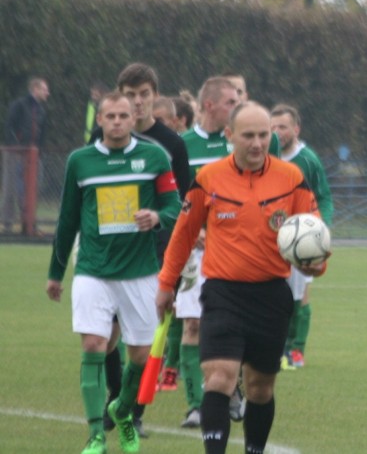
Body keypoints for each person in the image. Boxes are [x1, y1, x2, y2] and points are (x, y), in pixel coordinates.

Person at [157, 101, 326, 454]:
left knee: (261, 387)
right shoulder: (208, 178)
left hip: (271, 295)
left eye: (264, 135)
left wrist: (316, 264)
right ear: (230, 135)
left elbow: (314, 234)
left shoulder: (292, 178)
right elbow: (183, 235)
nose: (257, 143)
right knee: (219, 377)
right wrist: (165, 284)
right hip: (222, 294)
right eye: (248, 135)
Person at [46, 91, 181, 454]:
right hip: (93, 270)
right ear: (100, 121)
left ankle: (122, 410)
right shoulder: (80, 161)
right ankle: (94, 436)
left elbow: (174, 205)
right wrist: (56, 272)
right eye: (112, 116)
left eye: (125, 115)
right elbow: (67, 219)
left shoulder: (154, 157)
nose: (118, 121)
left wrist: (156, 217)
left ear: (133, 119)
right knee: (93, 344)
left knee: (138, 355)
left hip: (140, 272)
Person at [89, 63, 191, 438]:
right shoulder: (99, 139)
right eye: (130, 95)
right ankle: (119, 398)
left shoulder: (172, 143)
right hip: (112, 253)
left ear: (154, 97)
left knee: (144, 337)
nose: (137, 102)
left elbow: (185, 200)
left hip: (156, 252)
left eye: (144, 94)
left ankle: (135, 411)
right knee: (110, 336)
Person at [166, 76, 241, 426]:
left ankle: (232, 388)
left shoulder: (240, 145)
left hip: (236, 250)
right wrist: (190, 226)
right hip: (195, 254)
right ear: (209, 105)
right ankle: (197, 404)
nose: (236, 106)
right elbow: (171, 195)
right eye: (230, 101)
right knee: (193, 323)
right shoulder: (181, 146)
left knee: (235, 325)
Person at [271, 103, 334, 369]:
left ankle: (296, 350)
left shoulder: (307, 159)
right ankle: (277, 348)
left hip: (300, 238)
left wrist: (322, 229)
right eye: (272, 127)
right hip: (269, 238)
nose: (277, 133)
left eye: (282, 127)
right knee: (275, 298)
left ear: (296, 129)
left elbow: (324, 197)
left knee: (299, 295)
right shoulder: (265, 156)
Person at [2, 77, 49, 234]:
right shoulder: (20, 105)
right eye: (44, 89)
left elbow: (42, 132)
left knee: (33, 187)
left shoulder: (41, 110)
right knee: (11, 187)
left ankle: (28, 222)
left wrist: (38, 149)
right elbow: (9, 125)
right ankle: (7, 222)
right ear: (35, 89)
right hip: (16, 152)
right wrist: (16, 145)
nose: (47, 93)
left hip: (34, 154)